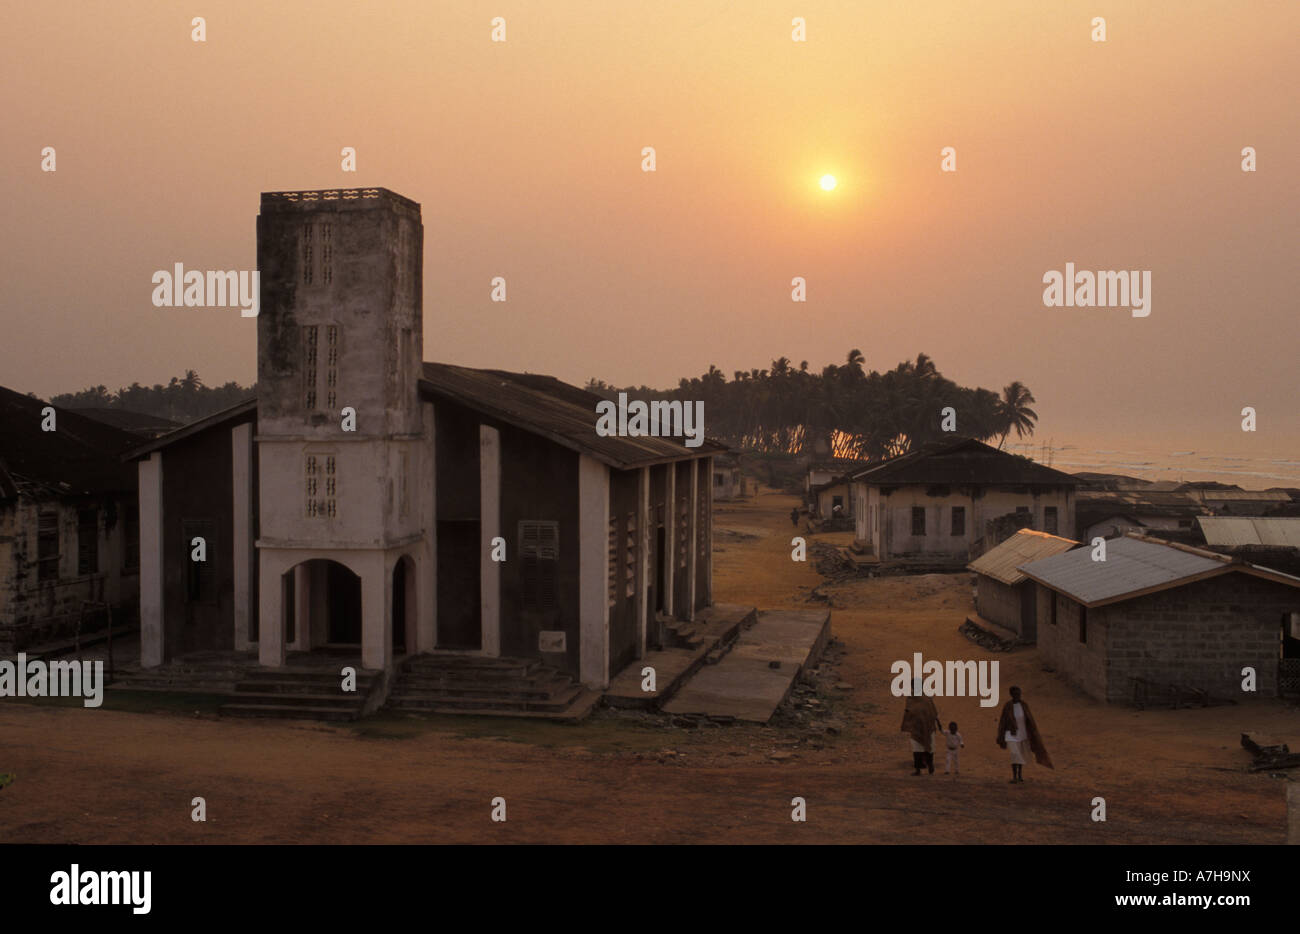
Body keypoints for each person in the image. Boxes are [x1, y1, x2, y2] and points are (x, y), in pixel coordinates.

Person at [996, 685, 1053, 783]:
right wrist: (1000, 735)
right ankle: (1014, 776)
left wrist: (1033, 733)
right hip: (1011, 734)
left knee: (1020, 754)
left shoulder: (1024, 705)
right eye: (1015, 694)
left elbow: (1030, 720)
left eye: (1019, 694)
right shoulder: (1008, 706)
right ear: (1011, 694)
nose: (1017, 695)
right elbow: (1003, 721)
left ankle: (1019, 775)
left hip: (1022, 734)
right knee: (1015, 754)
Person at [900, 679, 943, 775]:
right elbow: (908, 712)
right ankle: (919, 769)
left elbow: (933, 711)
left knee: (927, 748)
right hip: (917, 728)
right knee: (918, 749)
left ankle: (929, 766)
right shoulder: (911, 699)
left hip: (927, 727)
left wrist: (938, 723)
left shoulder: (926, 698)